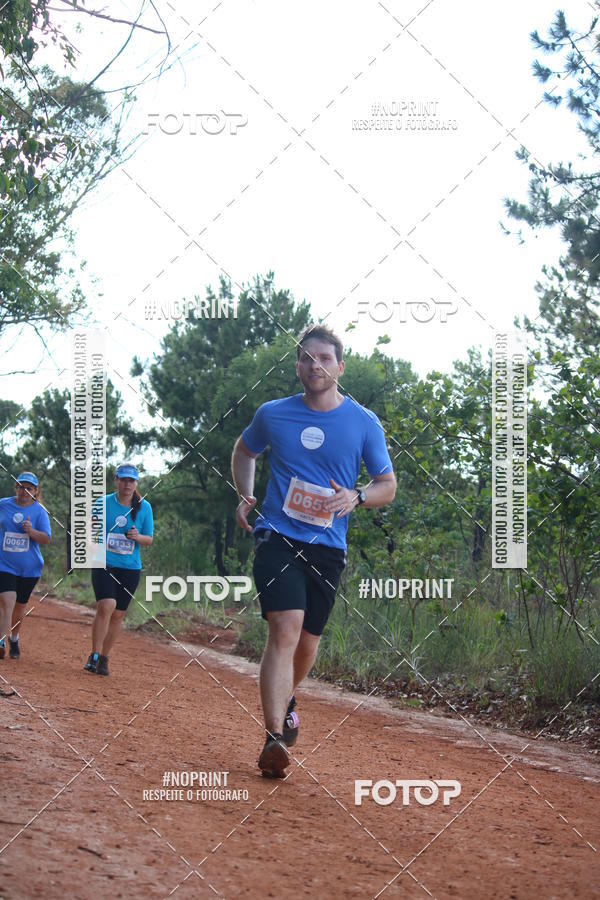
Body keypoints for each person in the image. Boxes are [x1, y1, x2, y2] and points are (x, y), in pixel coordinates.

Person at [231, 325, 396, 777]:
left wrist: (357, 497)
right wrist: (246, 495)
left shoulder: (363, 423)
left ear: (340, 367)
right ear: (297, 366)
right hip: (277, 536)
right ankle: (273, 739)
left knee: (306, 646)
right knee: (285, 631)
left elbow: (387, 485)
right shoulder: (273, 414)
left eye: (324, 358)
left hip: (327, 547)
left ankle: (287, 702)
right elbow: (245, 451)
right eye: (306, 358)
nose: (314, 365)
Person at [84, 463, 153, 676]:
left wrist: (136, 537)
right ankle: (94, 655)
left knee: (118, 615)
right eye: (123, 479)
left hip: (130, 568)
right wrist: (92, 540)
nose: (127, 484)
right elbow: (89, 529)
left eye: (131, 480)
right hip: (104, 563)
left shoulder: (144, 507)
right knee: (106, 606)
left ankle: (104, 657)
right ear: (116, 480)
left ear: (136, 483)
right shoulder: (102, 503)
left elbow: (148, 539)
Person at [0, 472, 52, 660]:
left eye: (29, 488)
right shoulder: (3, 504)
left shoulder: (39, 511)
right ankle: (1, 640)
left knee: (19, 607)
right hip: (4, 565)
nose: (24, 491)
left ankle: (14, 638)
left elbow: (46, 538)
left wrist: (31, 531)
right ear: (16, 488)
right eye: (21, 487)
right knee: (7, 600)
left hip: (30, 569)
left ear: (35, 491)